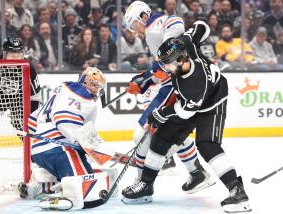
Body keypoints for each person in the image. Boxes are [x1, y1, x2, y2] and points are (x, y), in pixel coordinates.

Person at [122, 21, 252, 214]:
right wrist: (186, 36)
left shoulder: (193, 83)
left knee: (207, 145)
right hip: (190, 101)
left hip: (212, 101)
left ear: (181, 60)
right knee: (162, 138)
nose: (165, 68)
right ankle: (146, 185)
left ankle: (238, 192)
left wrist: (161, 113)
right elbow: (202, 25)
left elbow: (186, 111)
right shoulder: (185, 46)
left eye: (168, 64)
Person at [122, 1, 214, 198]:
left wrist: (148, 76)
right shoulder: (153, 31)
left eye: (133, 24)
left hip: (175, 87)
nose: (133, 30)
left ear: (142, 17)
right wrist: (144, 80)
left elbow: (176, 26)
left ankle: (143, 184)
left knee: (142, 135)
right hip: (175, 85)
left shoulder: (154, 26)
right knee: (172, 133)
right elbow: (164, 65)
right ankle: (197, 173)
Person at [18, 67, 116, 211]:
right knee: (85, 185)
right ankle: (67, 197)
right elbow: (63, 118)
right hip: (59, 149)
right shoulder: (80, 94)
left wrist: (37, 147)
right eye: (94, 84)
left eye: (99, 86)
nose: (96, 89)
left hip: (41, 149)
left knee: (71, 173)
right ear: (85, 82)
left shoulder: (63, 89)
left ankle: (40, 188)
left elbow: (33, 119)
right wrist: (79, 140)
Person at [0, 37, 41, 140]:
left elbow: (35, 97)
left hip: (18, 104)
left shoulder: (28, 67)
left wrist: (31, 119)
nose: (15, 58)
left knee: (27, 133)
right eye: (12, 54)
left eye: (18, 54)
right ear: (5, 53)